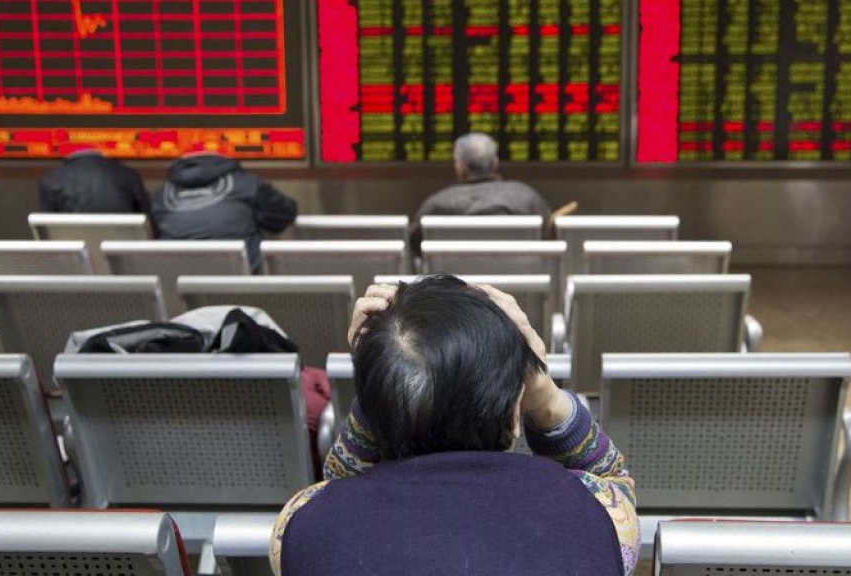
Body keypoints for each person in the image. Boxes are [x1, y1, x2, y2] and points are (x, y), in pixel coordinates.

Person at [270, 275, 639, 576]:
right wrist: (543, 395)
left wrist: (380, 379)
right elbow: (616, 484)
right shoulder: (598, 517)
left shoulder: (298, 526)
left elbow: (337, 487)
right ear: (514, 420)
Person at [152, 151, 298, 273]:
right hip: (239, 287)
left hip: (176, 287)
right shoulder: (246, 182)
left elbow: (156, 230)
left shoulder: (162, 193)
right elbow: (284, 214)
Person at [409, 133, 552, 253]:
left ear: (460, 166)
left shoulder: (437, 205)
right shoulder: (526, 197)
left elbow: (414, 246)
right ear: (495, 162)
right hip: (520, 285)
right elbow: (548, 237)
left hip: (456, 286)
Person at [38, 148, 152, 219]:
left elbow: (47, 225)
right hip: (121, 244)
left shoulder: (52, 178)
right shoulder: (128, 174)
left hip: (76, 244)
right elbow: (147, 216)